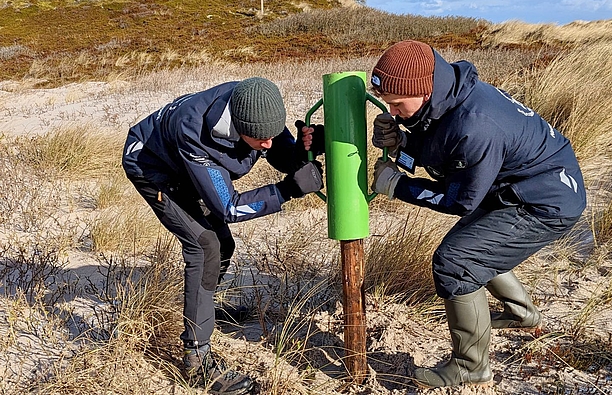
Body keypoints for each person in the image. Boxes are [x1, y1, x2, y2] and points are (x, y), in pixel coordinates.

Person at [369, 40, 586, 388]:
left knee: (456, 260)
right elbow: (442, 153)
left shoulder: (475, 125)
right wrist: (402, 146)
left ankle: (471, 367)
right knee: (473, 246)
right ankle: (522, 314)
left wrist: (397, 187)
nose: (392, 113)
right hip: (521, 184)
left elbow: (459, 200)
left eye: (397, 104)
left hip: (546, 202)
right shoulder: (450, 97)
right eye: (387, 105)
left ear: (423, 91)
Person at [122, 77, 324, 395]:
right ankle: (196, 362)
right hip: (152, 166)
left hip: (185, 163)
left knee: (223, 244)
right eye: (260, 138)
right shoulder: (193, 129)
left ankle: (203, 310)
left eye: (274, 133)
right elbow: (228, 208)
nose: (268, 142)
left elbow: (279, 154)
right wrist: (287, 190)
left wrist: (303, 149)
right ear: (240, 123)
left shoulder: (258, 104)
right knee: (205, 246)